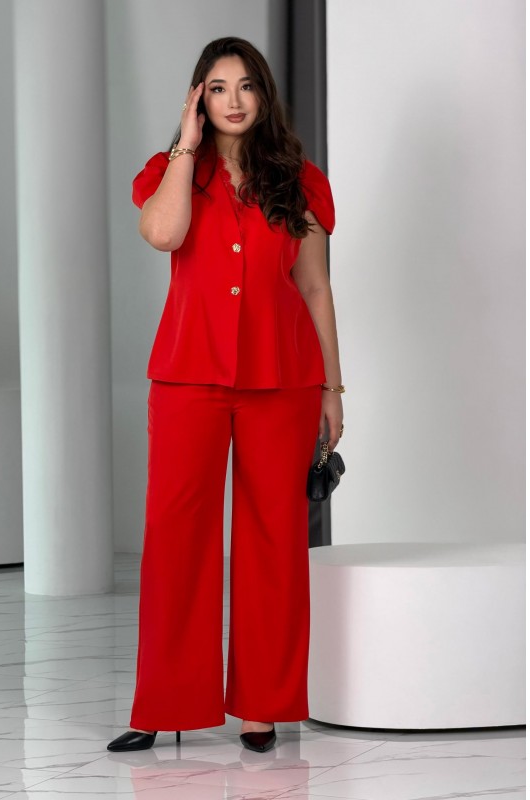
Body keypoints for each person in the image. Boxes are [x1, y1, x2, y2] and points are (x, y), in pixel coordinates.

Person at [107, 36, 344, 754]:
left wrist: (332, 387)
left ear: (264, 95)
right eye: (217, 88)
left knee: (275, 542)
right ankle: (164, 703)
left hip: (283, 380)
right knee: (176, 539)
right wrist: (186, 145)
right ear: (198, 99)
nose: (234, 100)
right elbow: (163, 233)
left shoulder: (300, 180)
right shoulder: (169, 172)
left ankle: (262, 707)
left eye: (246, 86)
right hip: (188, 377)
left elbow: (314, 286)